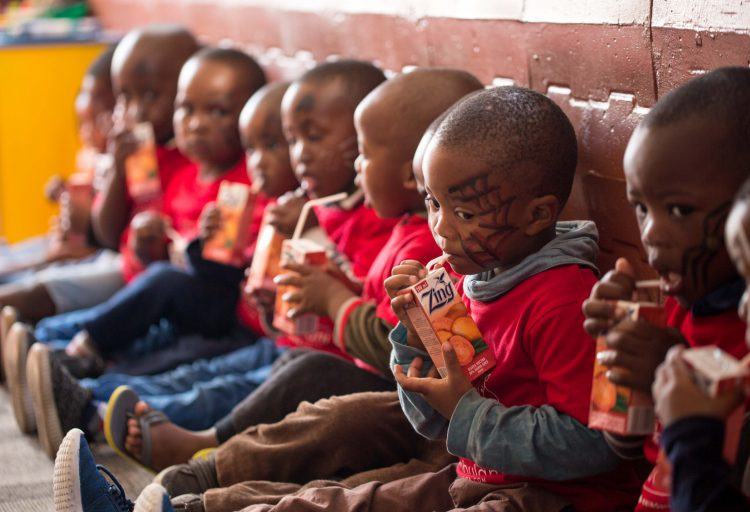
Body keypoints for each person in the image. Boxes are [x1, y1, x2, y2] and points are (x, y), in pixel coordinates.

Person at [5, 47, 266, 438]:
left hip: (216, 306)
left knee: (176, 334)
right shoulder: (181, 172)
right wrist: (148, 242)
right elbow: (128, 244)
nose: (195, 125)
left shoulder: (248, 184)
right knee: (154, 344)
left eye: (216, 113)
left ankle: (79, 359)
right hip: (170, 302)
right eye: (187, 109)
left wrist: (189, 250)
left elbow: (223, 270)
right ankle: (56, 371)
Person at [583, 66, 750, 511]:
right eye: (641, 207)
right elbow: (630, 451)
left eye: (678, 209)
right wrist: (615, 360)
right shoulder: (675, 310)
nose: (651, 233)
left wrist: (675, 373)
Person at [0, 25, 199, 323]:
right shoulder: (141, 155)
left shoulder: (190, 165)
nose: (136, 112)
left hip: (140, 278)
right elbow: (107, 230)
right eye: (126, 97)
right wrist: (119, 170)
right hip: (124, 265)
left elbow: (108, 242)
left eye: (150, 95)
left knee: (45, 296)